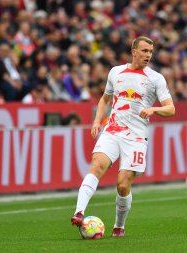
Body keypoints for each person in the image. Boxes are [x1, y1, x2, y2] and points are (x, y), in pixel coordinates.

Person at [71, 36, 175, 237]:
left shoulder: (155, 78)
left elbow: (171, 108)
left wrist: (153, 109)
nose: (148, 55)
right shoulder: (116, 72)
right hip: (112, 131)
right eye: (144, 51)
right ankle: (79, 212)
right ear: (134, 51)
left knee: (122, 183)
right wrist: (96, 121)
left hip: (136, 137)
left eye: (150, 52)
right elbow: (104, 99)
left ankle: (119, 226)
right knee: (97, 165)